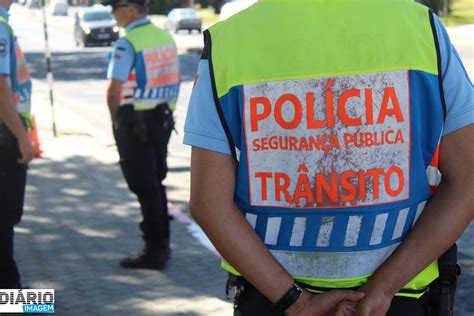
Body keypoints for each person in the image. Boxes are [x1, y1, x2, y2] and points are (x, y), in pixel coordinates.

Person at [184, 0, 474, 315]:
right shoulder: (423, 30)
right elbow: (467, 182)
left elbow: (209, 205)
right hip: (400, 300)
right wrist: (383, 289)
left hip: (273, 301)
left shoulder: (229, 43)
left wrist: (297, 303)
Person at [103, 0, 180, 270]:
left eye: (115, 7)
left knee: (143, 186)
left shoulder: (128, 42)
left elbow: (114, 91)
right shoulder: (164, 37)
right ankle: (163, 244)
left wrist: (116, 123)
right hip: (162, 119)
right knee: (156, 182)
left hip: (135, 123)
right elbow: (175, 80)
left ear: (131, 9)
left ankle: (154, 250)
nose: (112, 12)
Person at [0, 0, 34, 289]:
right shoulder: (0, 26)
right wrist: (23, 139)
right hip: (5, 136)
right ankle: (16, 303)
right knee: (4, 219)